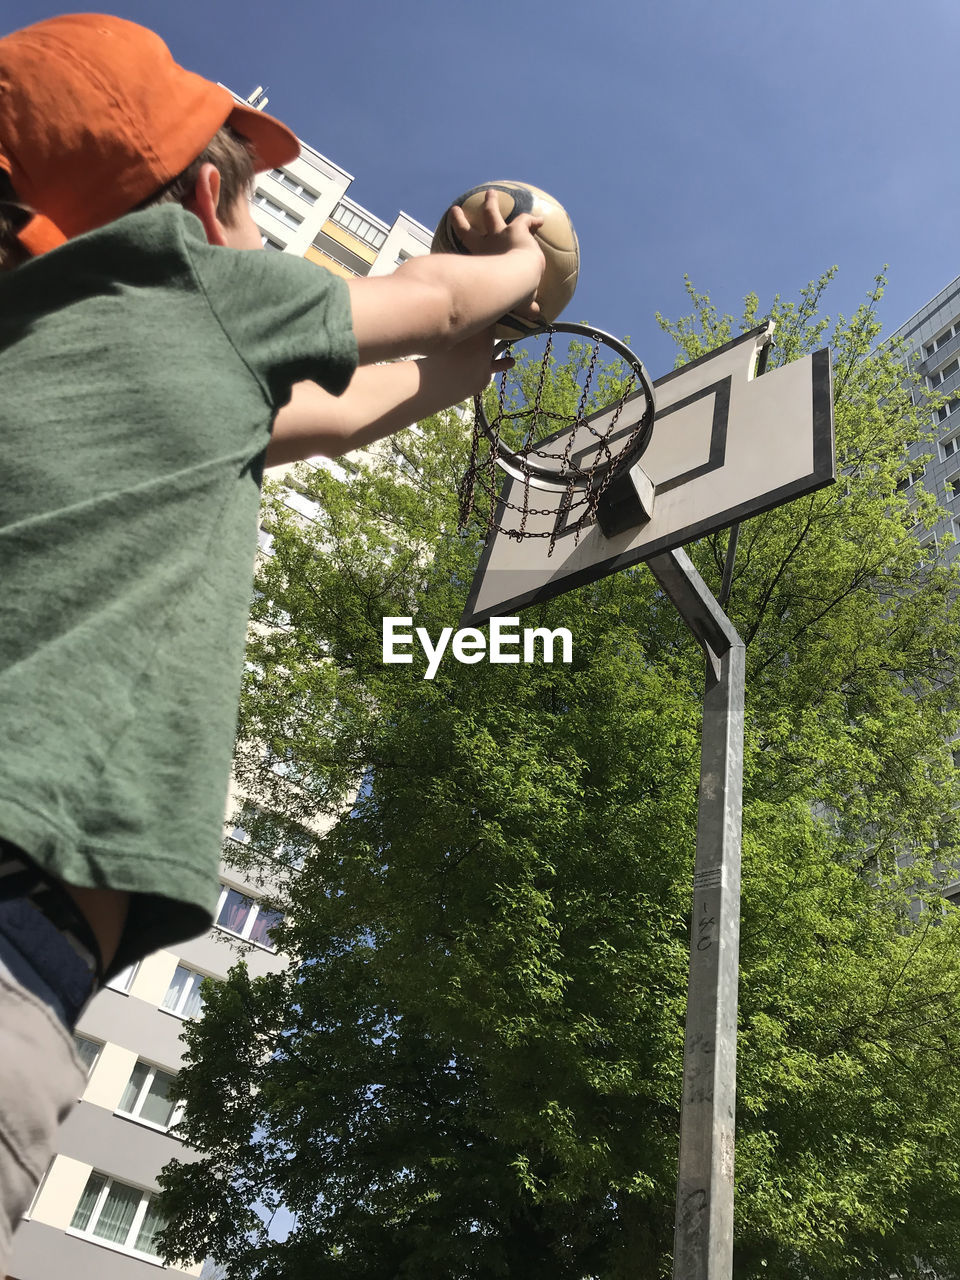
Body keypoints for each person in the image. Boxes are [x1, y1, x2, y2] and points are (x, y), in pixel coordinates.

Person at [0, 11, 545, 1265]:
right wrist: (527, 256)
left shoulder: (57, 341)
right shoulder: (191, 287)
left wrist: (476, 351)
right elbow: (432, 301)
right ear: (205, 196)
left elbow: (337, 416)